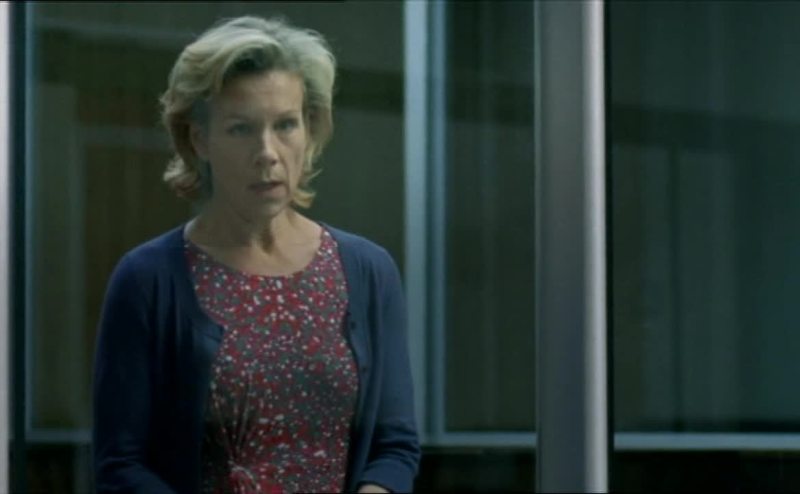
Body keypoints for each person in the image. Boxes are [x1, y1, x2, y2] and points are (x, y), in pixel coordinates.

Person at [92, 15, 420, 494]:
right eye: (241, 129)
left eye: (285, 124)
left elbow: (395, 447)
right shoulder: (148, 278)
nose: (267, 152)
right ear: (200, 140)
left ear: (309, 130)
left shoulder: (368, 270)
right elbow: (120, 464)